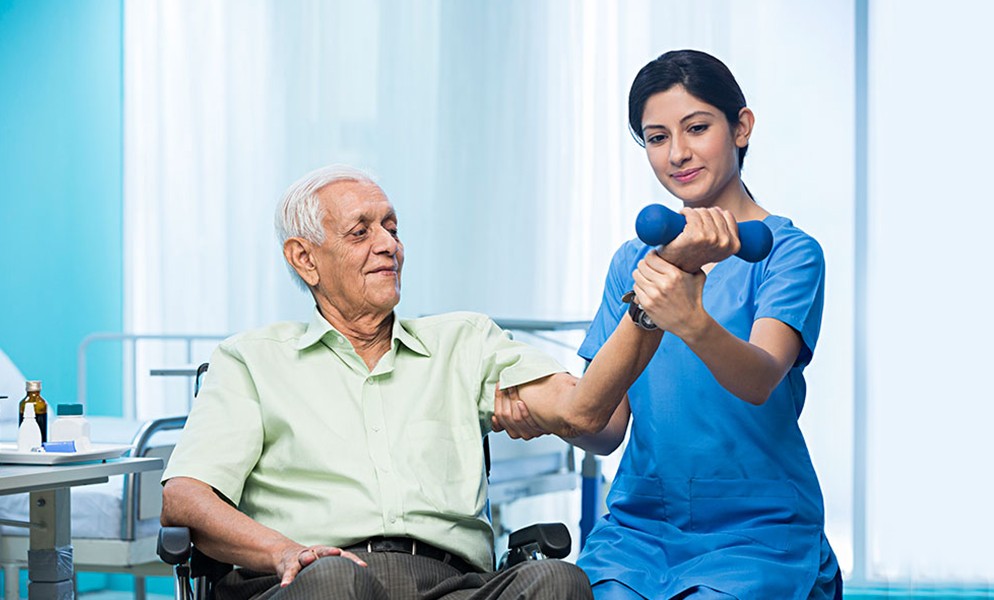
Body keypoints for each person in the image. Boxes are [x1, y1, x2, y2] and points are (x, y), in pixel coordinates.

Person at [160, 165, 630, 600]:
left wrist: (647, 314)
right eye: (360, 231)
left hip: (450, 584)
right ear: (304, 258)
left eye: (392, 227)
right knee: (334, 583)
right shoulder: (252, 360)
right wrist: (284, 552)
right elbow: (184, 498)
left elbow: (585, 416)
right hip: (314, 578)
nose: (388, 244)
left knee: (558, 581)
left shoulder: (464, 342)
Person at [496, 49, 842, 599]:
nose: (677, 153)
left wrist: (690, 319)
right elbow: (605, 429)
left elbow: (757, 381)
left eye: (697, 128)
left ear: (741, 127)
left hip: (758, 531)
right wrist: (545, 413)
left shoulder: (789, 254)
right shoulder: (632, 262)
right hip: (639, 531)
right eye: (657, 138)